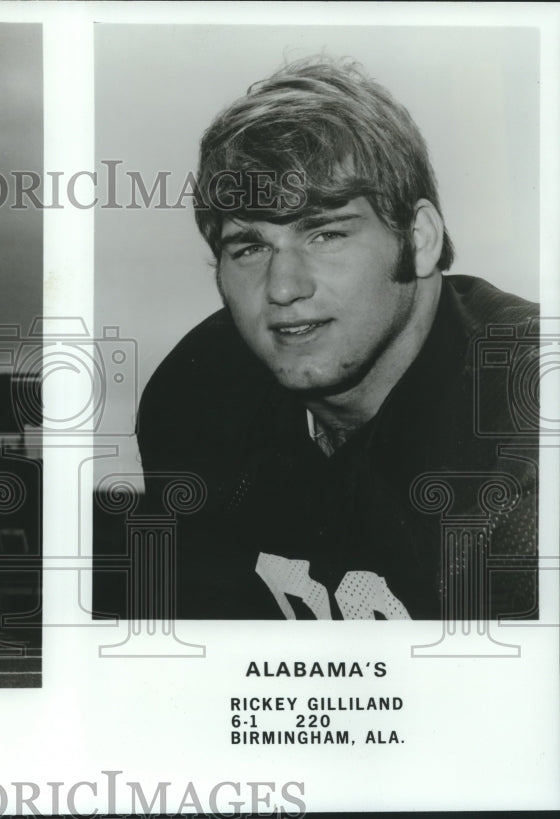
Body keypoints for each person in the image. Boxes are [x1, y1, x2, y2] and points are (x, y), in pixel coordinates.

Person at [136, 57, 539, 620]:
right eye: (249, 247)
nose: (283, 287)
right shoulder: (197, 395)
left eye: (325, 233)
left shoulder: (529, 416)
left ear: (419, 239)